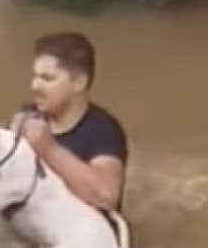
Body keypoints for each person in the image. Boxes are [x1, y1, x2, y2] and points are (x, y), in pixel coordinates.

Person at [10, 32, 127, 211]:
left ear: (79, 82)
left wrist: (49, 150)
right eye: (35, 76)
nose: (34, 86)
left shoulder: (103, 131)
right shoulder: (27, 117)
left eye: (47, 78)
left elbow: (105, 197)